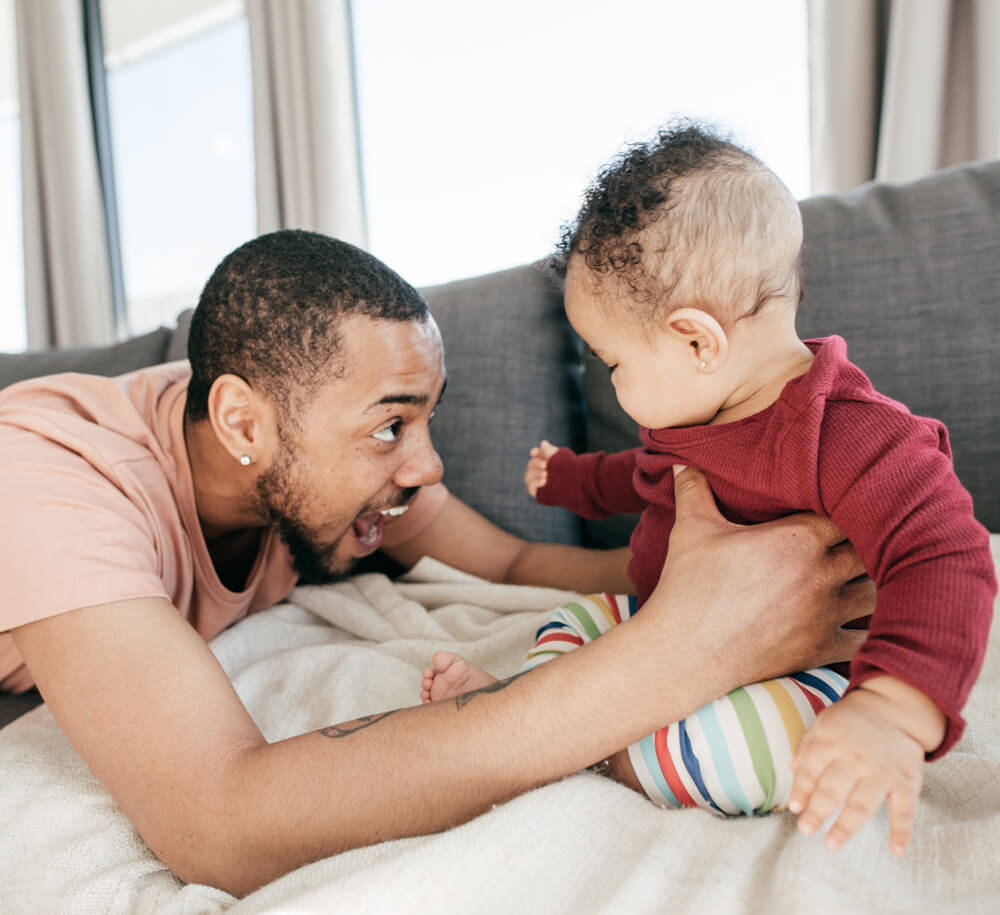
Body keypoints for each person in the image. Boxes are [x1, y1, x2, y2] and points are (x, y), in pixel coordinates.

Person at [0, 229, 874, 897]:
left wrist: (742, 566)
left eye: (425, 421)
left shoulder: (304, 444)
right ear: (241, 426)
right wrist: (687, 649)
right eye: (389, 427)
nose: (428, 469)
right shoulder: (50, 479)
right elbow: (219, 820)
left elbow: (513, 560)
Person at [421, 123, 996, 856]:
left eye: (614, 361)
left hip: (810, 666)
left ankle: (602, 756)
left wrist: (889, 707)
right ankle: (535, 711)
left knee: (755, 751)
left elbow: (944, 554)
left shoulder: (850, 435)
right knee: (574, 622)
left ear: (698, 341)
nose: (614, 383)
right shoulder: (696, 418)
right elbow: (632, 476)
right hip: (667, 629)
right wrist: (565, 476)